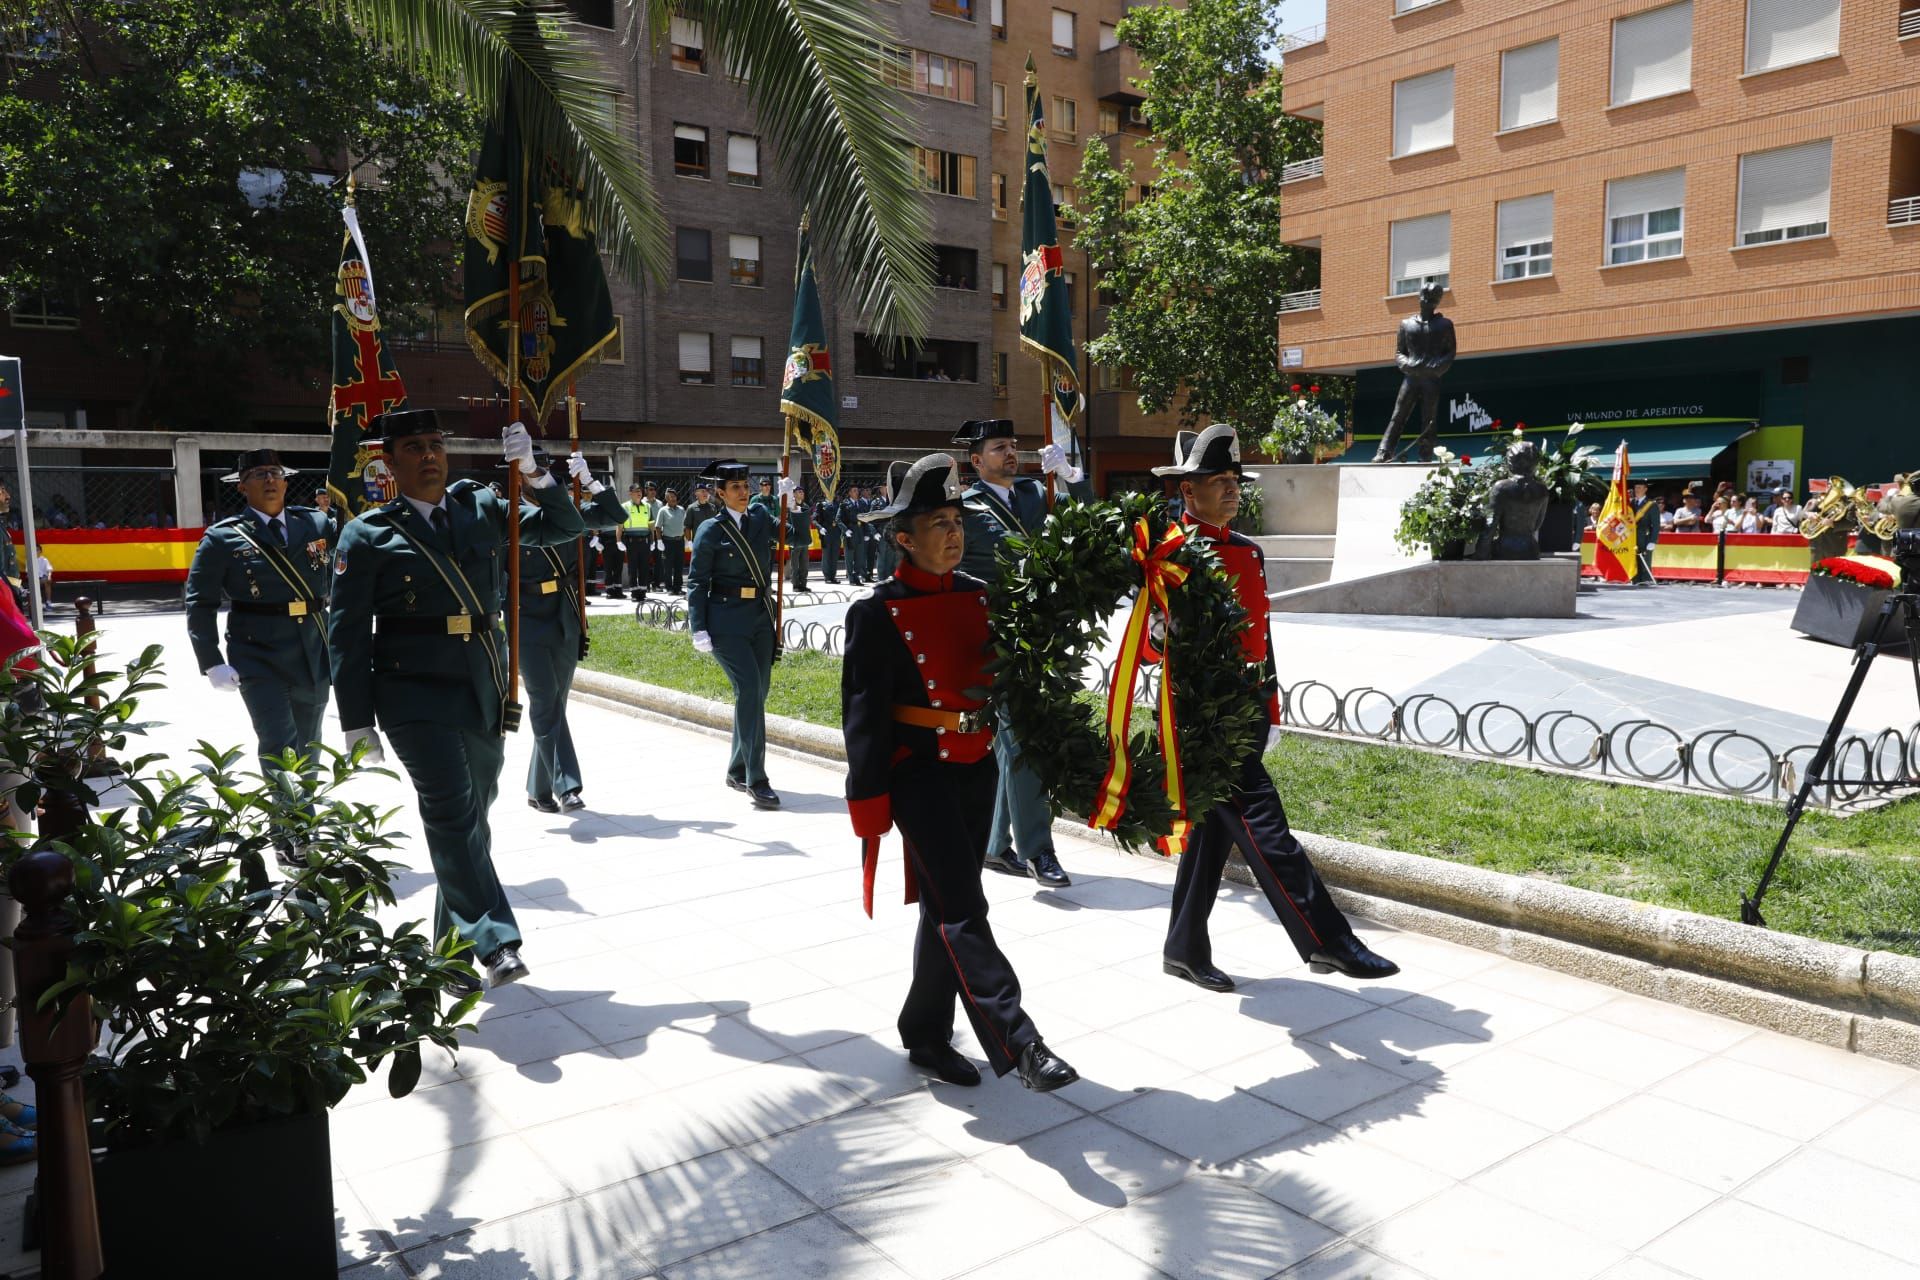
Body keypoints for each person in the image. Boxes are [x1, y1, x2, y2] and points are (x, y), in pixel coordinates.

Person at [841, 453, 1078, 1093]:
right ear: (902, 539)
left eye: (955, 519)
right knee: (966, 906)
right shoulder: (874, 614)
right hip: (916, 773)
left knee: (945, 907)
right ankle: (1022, 1042)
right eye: (936, 523)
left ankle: (923, 1031)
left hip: (976, 769)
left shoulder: (984, 598)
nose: (952, 534)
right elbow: (862, 721)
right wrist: (870, 804)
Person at [329, 410, 587, 990]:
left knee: (474, 817)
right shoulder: (367, 534)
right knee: (449, 810)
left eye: (436, 444)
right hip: (411, 690)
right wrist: (355, 720)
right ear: (389, 462)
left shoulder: (482, 507)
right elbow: (344, 633)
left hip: (482, 682)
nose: (429, 455)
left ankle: (444, 954)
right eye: (414, 446)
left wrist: (535, 473)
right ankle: (495, 942)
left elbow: (564, 527)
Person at [1152, 424, 1399, 992]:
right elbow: (1147, 644)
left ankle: (1183, 949)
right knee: (1267, 829)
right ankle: (1330, 941)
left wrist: (1271, 705)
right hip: (1203, 717)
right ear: (1189, 491)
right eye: (1219, 482)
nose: (1233, 491)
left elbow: (1261, 638)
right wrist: (1166, 626)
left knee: (1212, 835)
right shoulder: (1170, 555)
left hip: (1248, 707)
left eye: (1235, 480)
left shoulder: (1246, 550)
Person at [953, 418, 1090, 889]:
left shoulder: (1038, 493)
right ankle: (1038, 850)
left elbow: (1083, 531)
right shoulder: (966, 509)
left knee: (1017, 741)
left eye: (1014, 445)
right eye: (999, 448)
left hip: (1044, 636)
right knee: (1021, 740)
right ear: (976, 461)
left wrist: (1073, 480)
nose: (1011, 453)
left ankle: (994, 846)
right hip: (996, 641)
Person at [185, 449, 337, 867]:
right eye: (258, 474)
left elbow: (346, 565)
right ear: (242, 485)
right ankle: (294, 834)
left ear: (286, 482)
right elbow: (199, 601)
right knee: (278, 742)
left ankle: (293, 825)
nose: (270, 480)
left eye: (275, 473)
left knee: (309, 745)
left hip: (312, 647)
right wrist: (210, 659)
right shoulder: (224, 537)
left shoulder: (317, 523)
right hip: (258, 655)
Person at [519, 451, 625, 813]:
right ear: (519, 478)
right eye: (531, 473)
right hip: (526, 618)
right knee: (545, 701)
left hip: (564, 615)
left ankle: (538, 788)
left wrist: (594, 483)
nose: (538, 478)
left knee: (555, 704)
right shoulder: (506, 515)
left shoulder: (570, 512)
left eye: (544, 472)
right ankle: (566, 785)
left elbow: (616, 517)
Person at [688, 460, 792, 810]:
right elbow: (698, 581)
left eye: (746, 486)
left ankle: (736, 768)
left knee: (756, 694)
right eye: (735, 488)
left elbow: (795, 535)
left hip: (760, 619)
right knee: (748, 689)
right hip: (725, 620)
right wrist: (697, 626)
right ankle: (756, 778)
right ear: (720, 493)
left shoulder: (761, 518)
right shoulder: (710, 530)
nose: (744, 492)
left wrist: (791, 503)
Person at [619, 483, 651, 598]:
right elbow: (620, 525)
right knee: (633, 567)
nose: (639, 493)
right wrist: (618, 540)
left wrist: (652, 541)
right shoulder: (625, 506)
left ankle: (642, 591)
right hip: (631, 541)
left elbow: (651, 524)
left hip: (644, 540)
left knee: (644, 566)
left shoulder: (647, 506)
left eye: (640, 491)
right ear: (630, 493)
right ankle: (634, 591)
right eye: (636, 491)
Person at [654, 487, 688, 594]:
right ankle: (669, 588)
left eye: (674, 496)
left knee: (679, 565)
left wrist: (687, 539)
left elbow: (685, 526)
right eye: (670, 497)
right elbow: (658, 527)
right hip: (668, 541)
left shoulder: (682, 509)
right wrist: (659, 541)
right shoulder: (663, 510)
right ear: (666, 498)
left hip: (680, 541)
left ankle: (678, 587)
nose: (673, 498)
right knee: (668, 566)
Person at [785, 481, 813, 593]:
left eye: (802, 492)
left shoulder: (806, 506)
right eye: (799, 492)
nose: (801, 494)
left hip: (804, 538)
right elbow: (788, 523)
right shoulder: (790, 506)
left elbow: (807, 523)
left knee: (804, 563)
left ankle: (803, 584)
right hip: (795, 539)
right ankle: (796, 585)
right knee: (795, 564)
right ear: (794, 494)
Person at [1631, 480, 1659, 585]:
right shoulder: (1631, 503)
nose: (1637, 490)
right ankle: (1635, 579)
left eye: (1639, 488)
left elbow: (1656, 525)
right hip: (1632, 536)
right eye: (1636, 488)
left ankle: (1646, 579)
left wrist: (1653, 540)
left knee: (1645, 559)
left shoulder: (1651, 505)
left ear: (1645, 489)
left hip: (1645, 536)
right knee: (1634, 559)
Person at [816, 488, 845, 584]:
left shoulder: (838, 505)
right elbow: (815, 519)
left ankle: (833, 576)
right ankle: (827, 576)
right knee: (827, 555)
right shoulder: (821, 505)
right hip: (826, 532)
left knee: (835, 555)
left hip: (836, 532)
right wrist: (820, 528)